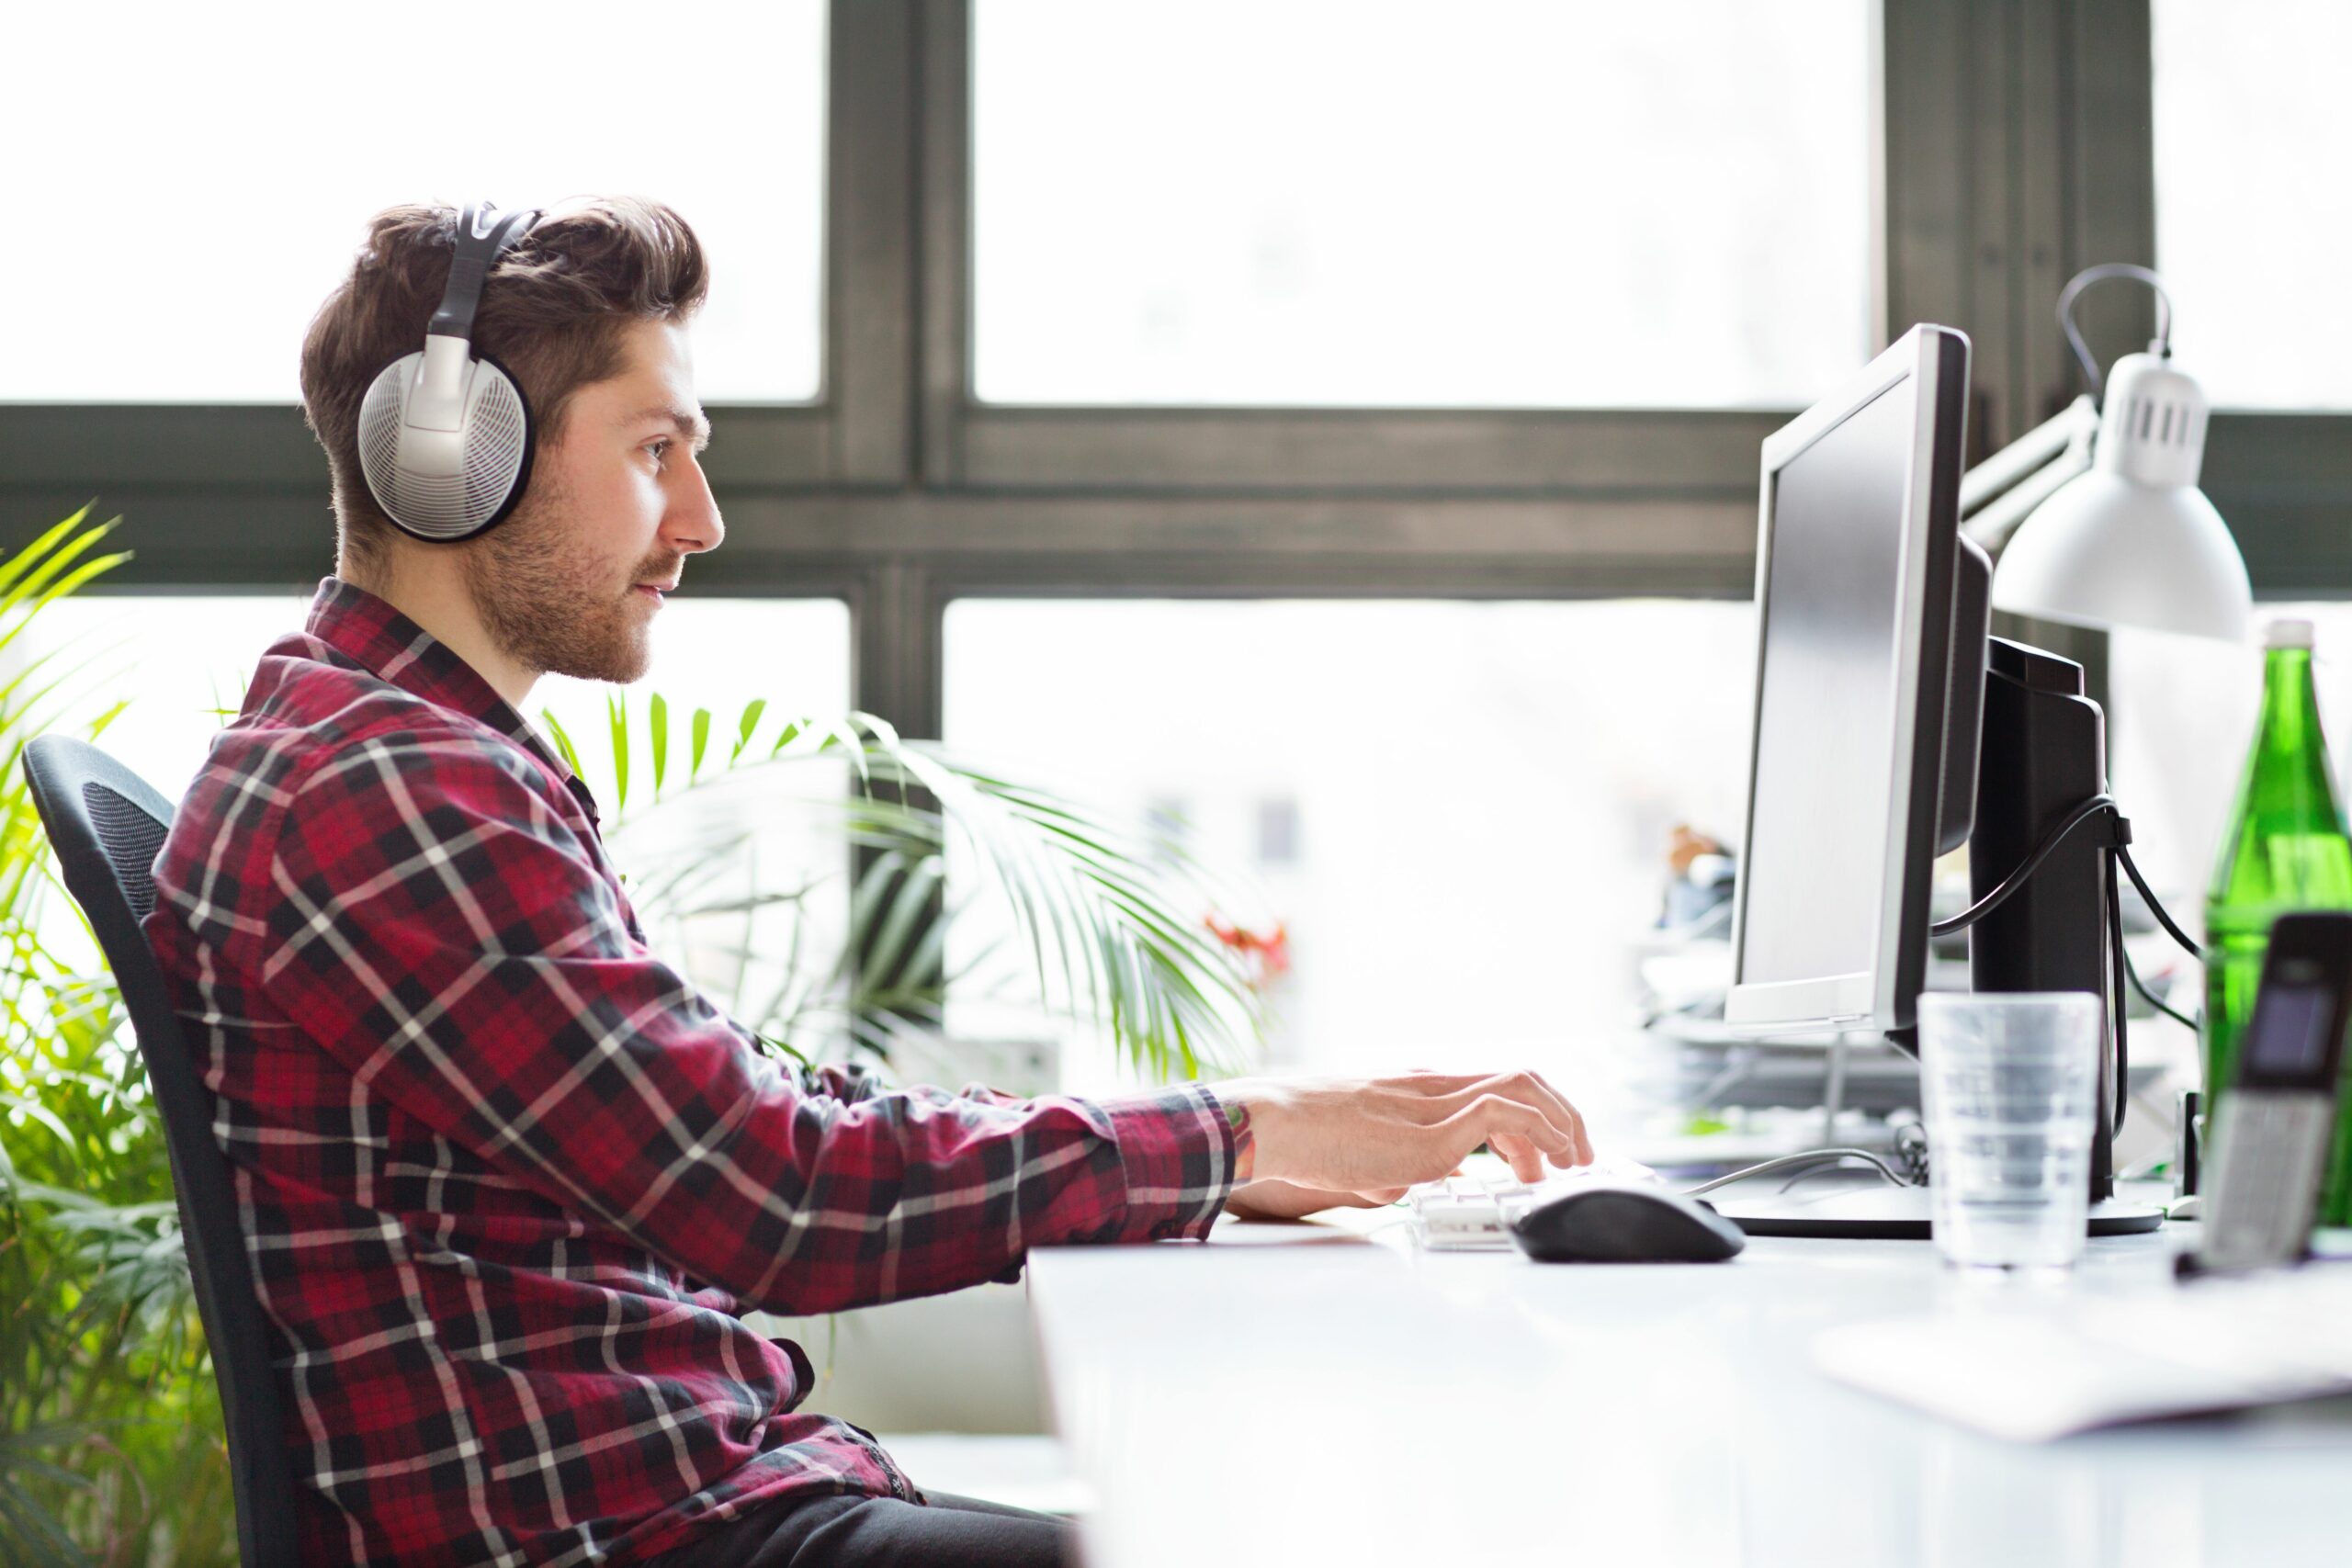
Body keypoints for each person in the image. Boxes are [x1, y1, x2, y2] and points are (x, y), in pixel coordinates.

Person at [143, 197, 1593, 1568]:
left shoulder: (405, 751)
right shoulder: (387, 794)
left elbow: (769, 1109)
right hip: (646, 1536)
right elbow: (774, 1197)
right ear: (453, 454)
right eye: (656, 449)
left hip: (693, 1494)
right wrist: (1231, 1131)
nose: (701, 519)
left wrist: (1226, 1151)